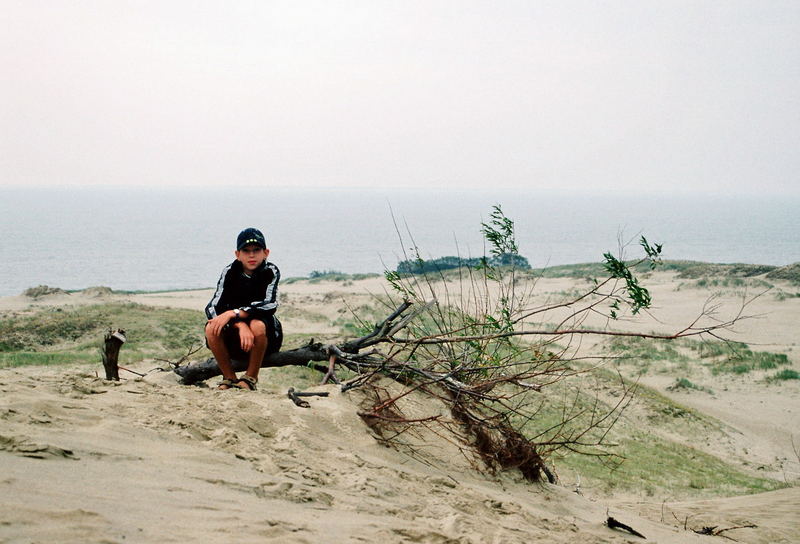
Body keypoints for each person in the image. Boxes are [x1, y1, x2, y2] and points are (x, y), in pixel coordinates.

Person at [204, 227, 282, 390]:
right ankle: (229, 378)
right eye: (246, 251)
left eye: (256, 250)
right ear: (237, 254)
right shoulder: (229, 272)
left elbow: (270, 304)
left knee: (257, 325)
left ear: (266, 252)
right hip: (236, 337)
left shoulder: (271, 271)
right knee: (211, 327)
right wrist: (239, 324)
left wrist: (235, 313)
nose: (251, 255)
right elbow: (213, 307)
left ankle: (250, 378)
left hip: (267, 338)